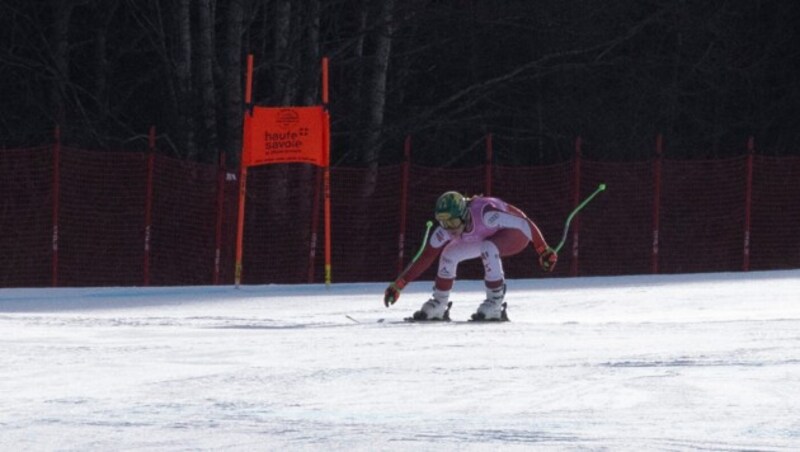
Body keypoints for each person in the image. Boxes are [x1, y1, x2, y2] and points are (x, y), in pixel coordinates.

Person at [383, 191, 558, 321]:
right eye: (443, 222)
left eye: (452, 221)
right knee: (448, 254)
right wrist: (399, 284)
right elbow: (427, 256)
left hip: (515, 234)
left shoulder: (486, 215)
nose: (448, 227)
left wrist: (542, 249)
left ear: (464, 215)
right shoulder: (446, 229)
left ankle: (495, 304)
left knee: (488, 247)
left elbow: (522, 223)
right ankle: (439, 303)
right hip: (485, 236)